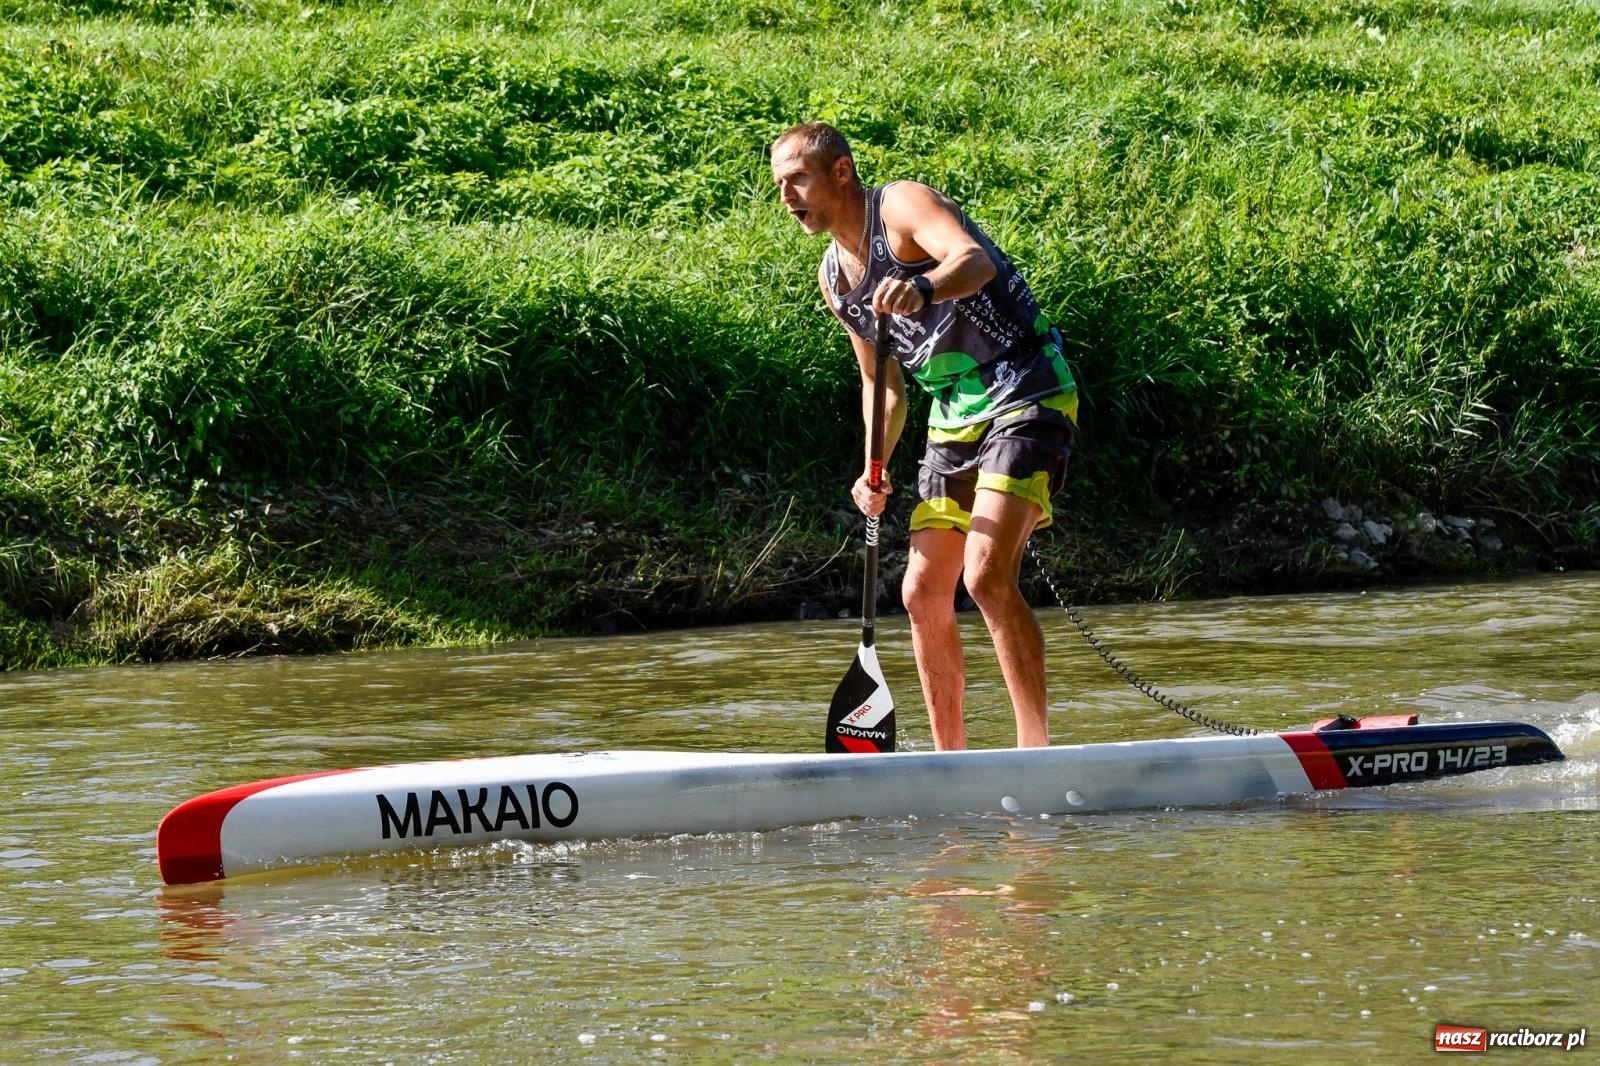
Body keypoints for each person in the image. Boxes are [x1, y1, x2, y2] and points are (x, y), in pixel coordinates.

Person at [770, 121, 1079, 751]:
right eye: (779, 184)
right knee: (920, 593)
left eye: (797, 179)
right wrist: (873, 465)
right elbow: (881, 383)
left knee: (985, 576)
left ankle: (1035, 751)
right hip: (952, 416)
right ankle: (949, 760)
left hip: (1025, 387)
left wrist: (923, 285)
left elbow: (974, 261)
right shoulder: (835, 278)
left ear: (840, 173)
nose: (786, 196)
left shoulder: (901, 206)